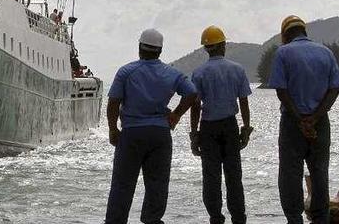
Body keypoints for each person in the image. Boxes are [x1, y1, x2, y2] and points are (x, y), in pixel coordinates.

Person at [104, 28, 197, 224]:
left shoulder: (126, 72)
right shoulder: (172, 73)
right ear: (160, 51)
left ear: (139, 47)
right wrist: (176, 115)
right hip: (160, 135)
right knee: (157, 185)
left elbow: (113, 102)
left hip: (131, 134)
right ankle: (152, 220)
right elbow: (191, 93)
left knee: (122, 185)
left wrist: (113, 129)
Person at [269, 15, 339, 224]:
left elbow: (281, 91)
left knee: (290, 175)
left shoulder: (283, 53)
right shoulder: (326, 53)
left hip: (293, 123)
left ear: (285, 35)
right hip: (320, 123)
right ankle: (321, 219)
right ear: (304, 31)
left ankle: (294, 219)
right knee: (320, 173)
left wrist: (301, 120)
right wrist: (315, 118)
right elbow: (334, 88)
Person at [189, 26, 253, 224]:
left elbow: (196, 106)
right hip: (230, 127)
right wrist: (246, 129)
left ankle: (216, 218)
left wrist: (194, 134)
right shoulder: (237, 70)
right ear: (223, 45)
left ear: (207, 49)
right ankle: (239, 218)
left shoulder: (199, 73)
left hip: (208, 128)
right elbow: (244, 102)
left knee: (211, 178)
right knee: (234, 177)